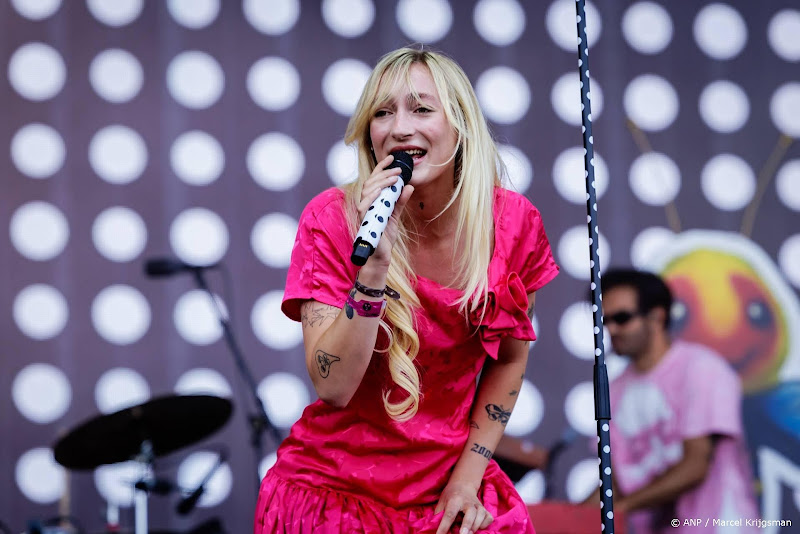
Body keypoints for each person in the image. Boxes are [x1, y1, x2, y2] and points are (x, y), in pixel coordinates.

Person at [253, 47, 559, 534]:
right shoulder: (332, 219)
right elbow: (333, 386)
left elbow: (510, 359)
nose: (399, 128)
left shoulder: (512, 224)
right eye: (382, 113)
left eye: (421, 109)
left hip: (444, 489)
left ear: (460, 126)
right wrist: (374, 267)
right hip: (333, 495)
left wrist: (467, 479)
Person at [585, 268, 760, 533]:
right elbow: (616, 481)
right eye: (603, 320)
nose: (611, 329)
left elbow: (695, 465)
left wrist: (620, 509)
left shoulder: (701, 368)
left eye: (621, 318)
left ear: (657, 316)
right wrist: (562, 519)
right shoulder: (614, 389)